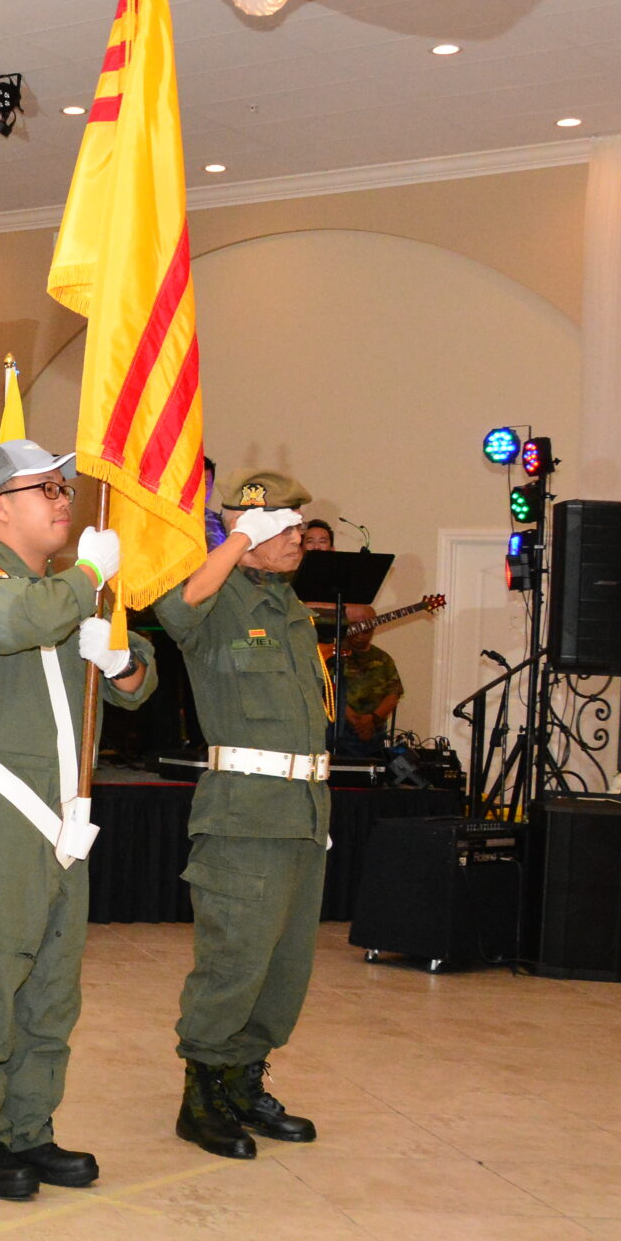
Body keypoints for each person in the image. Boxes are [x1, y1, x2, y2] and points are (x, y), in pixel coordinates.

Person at [0, 439, 154, 1201]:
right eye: (45, 490)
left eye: (64, 488)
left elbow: (140, 679)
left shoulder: (72, 588)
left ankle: (30, 1124)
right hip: (0, 807)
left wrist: (121, 661)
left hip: (67, 812)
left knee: (53, 981)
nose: (64, 500)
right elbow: (11, 623)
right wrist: (89, 578)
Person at [151, 469, 330, 1161]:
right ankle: (201, 1095)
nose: (297, 538)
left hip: (302, 813)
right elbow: (174, 612)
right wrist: (232, 542)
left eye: (298, 526)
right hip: (243, 816)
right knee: (234, 959)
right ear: (246, 529)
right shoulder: (218, 597)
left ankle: (244, 1081)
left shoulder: (288, 607)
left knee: (284, 966)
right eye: (281, 526)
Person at [329, 605, 404, 758]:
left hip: (373, 733)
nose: (360, 635)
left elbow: (394, 694)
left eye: (366, 630)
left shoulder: (383, 659)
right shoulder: (332, 655)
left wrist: (371, 720)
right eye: (355, 628)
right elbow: (326, 689)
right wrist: (354, 720)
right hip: (339, 731)